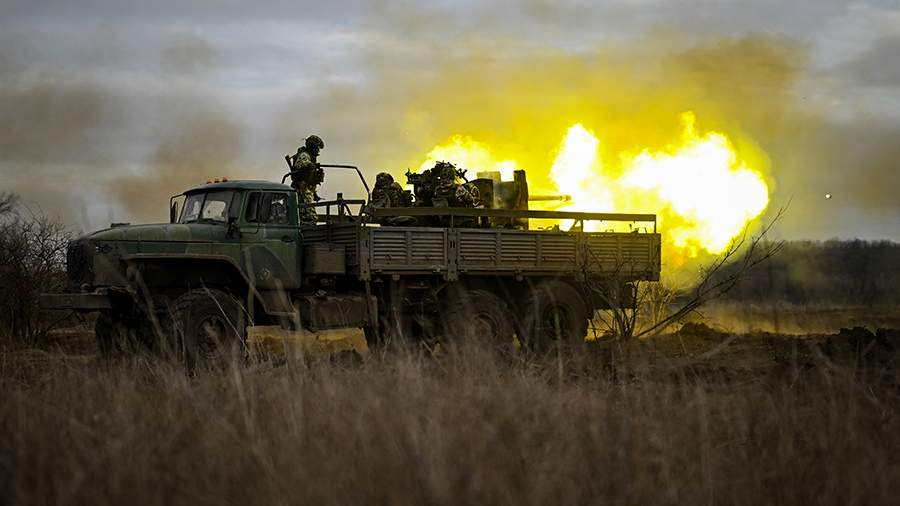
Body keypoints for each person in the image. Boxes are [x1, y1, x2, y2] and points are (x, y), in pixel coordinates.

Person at [289, 135, 325, 224]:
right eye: (317, 148)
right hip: (301, 190)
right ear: (312, 147)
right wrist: (310, 166)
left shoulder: (310, 157)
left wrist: (315, 194)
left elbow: (310, 179)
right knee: (307, 216)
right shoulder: (304, 155)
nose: (318, 151)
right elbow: (301, 165)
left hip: (307, 191)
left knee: (309, 215)